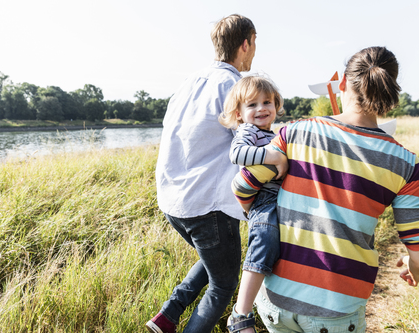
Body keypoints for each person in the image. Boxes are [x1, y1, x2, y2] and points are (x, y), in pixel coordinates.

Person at [232, 46, 419, 332]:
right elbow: (417, 252)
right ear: (388, 93)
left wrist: (258, 210)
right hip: (338, 307)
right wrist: (412, 265)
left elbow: (243, 186)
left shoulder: (294, 132)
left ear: (342, 83)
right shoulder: (405, 163)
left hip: (276, 300)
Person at [146, 14, 257, 333]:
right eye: (254, 45)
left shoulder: (189, 82)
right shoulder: (236, 86)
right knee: (223, 286)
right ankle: (173, 317)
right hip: (208, 206)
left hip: (172, 202)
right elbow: (249, 144)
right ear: (245, 44)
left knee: (215, 261)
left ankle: (168, 315)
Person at [218, 75, 285, 333]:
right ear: (239, 113)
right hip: (263, 201)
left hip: (278, 198)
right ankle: (240, 313)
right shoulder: (248, 131)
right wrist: (273, 156)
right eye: (252, 105)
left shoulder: (272, 133)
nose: (261, 109)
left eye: (267, 102)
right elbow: (236, 153)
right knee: (265, 238)